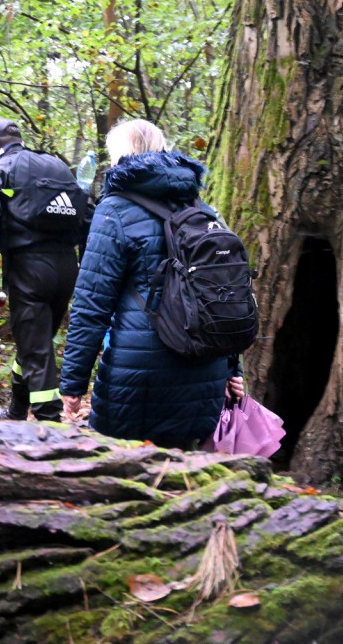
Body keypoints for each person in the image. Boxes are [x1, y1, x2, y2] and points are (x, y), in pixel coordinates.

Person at [59, 119, 243, 449]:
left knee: (123, 473)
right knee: (182, 479)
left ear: (119, 157)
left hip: (138, 378)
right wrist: (233, 369)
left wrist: (73, 383)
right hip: (206, 373)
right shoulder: (203, 209)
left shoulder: (114, 210)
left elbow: (91, 305)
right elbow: (224, 294)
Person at [0, 118, 85, 422]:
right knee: (35, 341)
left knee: (36, 350)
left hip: (27, 269)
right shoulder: (57, 166)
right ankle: (17, 410)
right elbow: (86, 211)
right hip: (66, 268)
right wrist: (83, 261)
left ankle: (50, 422)